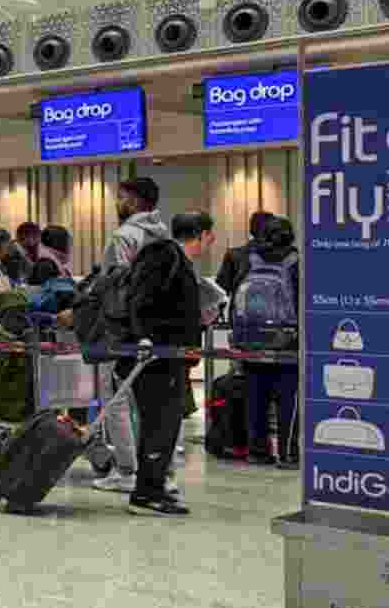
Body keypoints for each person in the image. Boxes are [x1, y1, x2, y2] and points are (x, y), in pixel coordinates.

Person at [123, 211, 213, 516]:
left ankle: (154, 486)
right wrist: (145, 337)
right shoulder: (163, 255)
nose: (210, 241)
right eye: (209, 235)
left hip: (170, 358)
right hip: (156, 358)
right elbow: (140, 300)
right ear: (200, 234)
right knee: (158, 424)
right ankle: (146, 494)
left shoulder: (174, 260)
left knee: (166, 424)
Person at [89, 177, 170, 493]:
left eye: (121, 198)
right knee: (153, 403)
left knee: (116, 397)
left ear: (134, 202)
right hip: (157, 329)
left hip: (123, 329)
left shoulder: (124, 237)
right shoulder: (163, 236)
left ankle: (126, 468)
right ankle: (158, 470)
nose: (117, 203)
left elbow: (115, 284)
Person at [233, 216, 301, 467]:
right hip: (286, 340)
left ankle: (258, 451)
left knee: (256, 399)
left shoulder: (250, 260)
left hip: (251, 340)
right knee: (288, 401)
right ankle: (287, 454)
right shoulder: (294, 262)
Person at [215, 211, 275, 299]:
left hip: (241, 311)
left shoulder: (234, 255)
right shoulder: (284, 257)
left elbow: (219, 296)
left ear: (251, 229)